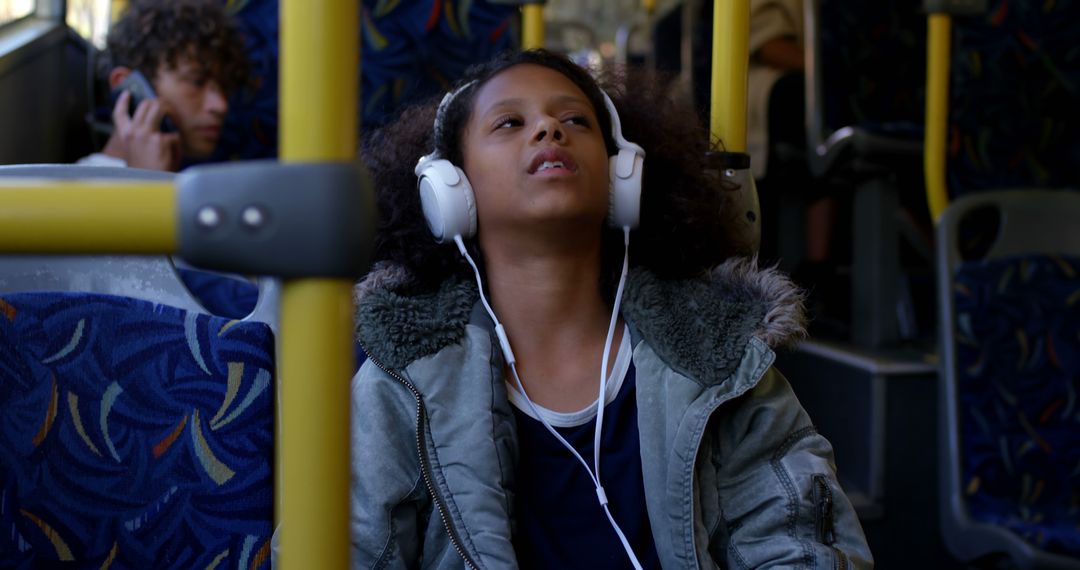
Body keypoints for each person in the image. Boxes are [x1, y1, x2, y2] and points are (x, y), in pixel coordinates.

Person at [351, 48, 872, 569]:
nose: (549, 129)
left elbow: (799, 546)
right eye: (511, 122)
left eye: (575, 119)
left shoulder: (720, 360)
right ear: (448, 190)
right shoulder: (403, 383)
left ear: (623, 175)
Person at [78, 0, 248, 171]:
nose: (221, 105)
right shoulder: (74, 186)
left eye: (225, 87)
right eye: (197, 82)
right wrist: (146, 182)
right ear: (127, 86)